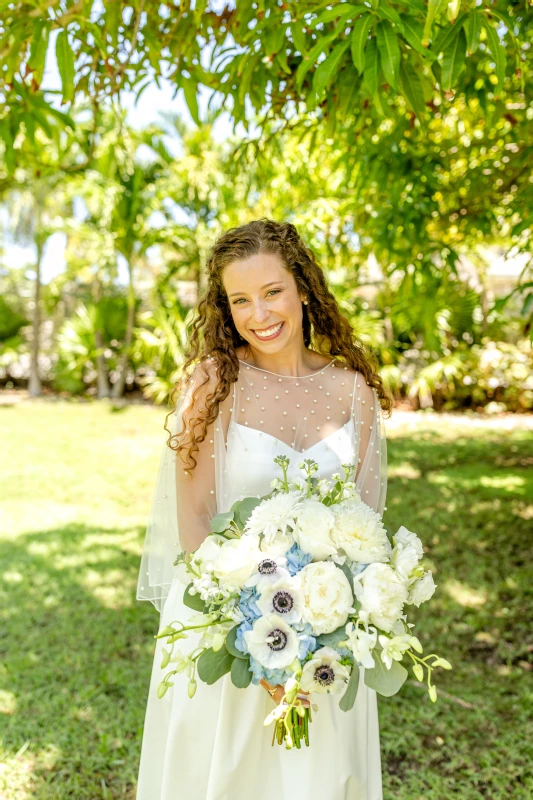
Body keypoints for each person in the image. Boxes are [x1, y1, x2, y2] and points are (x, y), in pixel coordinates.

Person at [136, 218, 393, 800]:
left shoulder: (353, 392)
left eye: (272, 291)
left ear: (302, 288)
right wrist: (263, 636)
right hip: (226, 623)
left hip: (329, 629)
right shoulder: (212, 385)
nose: (259, 314)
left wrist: (320, 634)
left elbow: (366, 528)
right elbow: (195, 525)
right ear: (225, 309)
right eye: (240, 300)